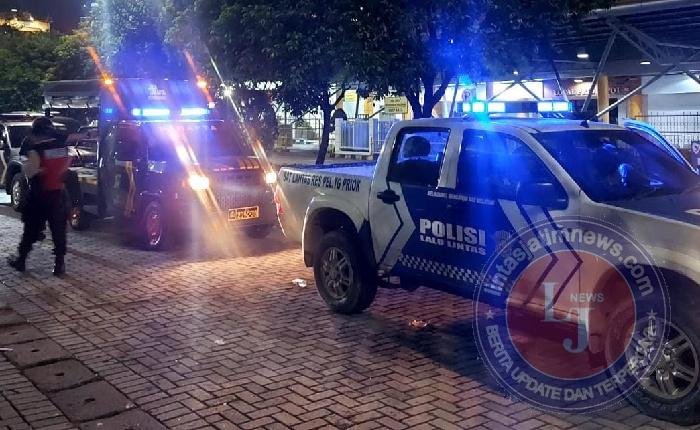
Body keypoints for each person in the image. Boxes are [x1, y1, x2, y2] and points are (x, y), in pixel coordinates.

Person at [7, 117, 71, 276]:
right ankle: (59, 265)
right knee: (58, 231)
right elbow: (65, 166)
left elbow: (30, 172)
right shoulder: (61, 146)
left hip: (39, 195)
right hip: (58, 194)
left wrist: (37, 169)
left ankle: (21, 260)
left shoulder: (36, 148)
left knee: (30, 230)